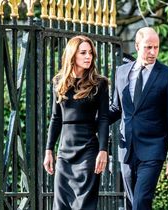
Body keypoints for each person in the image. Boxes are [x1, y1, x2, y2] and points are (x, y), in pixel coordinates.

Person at [108, 27, 168, 210]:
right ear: (137, 46)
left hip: (153, 149)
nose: (152, 52)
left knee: (141, 201)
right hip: (126, 149)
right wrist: (90, 122)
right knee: (131, 203)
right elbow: (116, 108)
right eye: (148, 47)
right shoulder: (121, 72)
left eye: (156, 47)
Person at [43, 35, 109, 209]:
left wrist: (103, 150)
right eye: (83, 53)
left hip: (88, 151)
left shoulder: (99, 84)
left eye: (91, 53)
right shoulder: (59, 82)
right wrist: (49, 150)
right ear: (73, 55)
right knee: (61, 204)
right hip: (64, 153)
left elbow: (103, 119)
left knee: (84, 204)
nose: (88, 57)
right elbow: (56, 118)